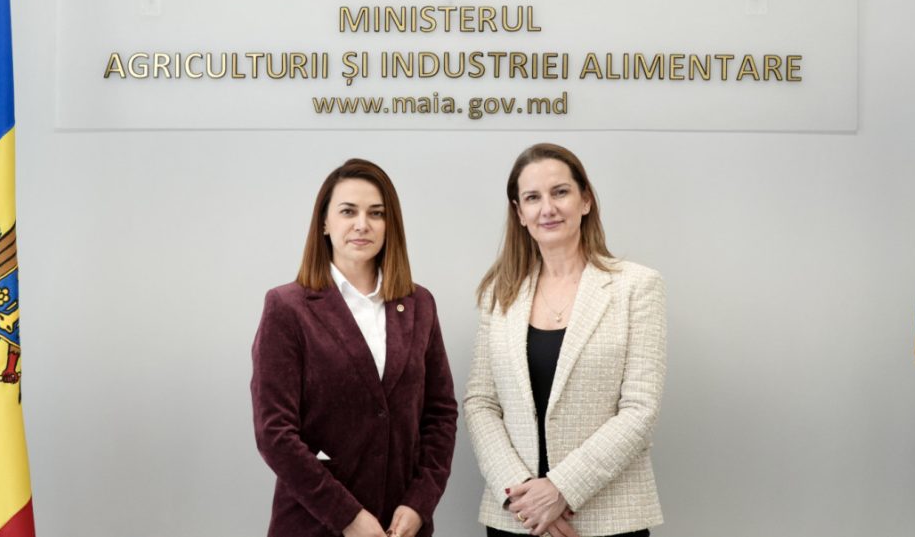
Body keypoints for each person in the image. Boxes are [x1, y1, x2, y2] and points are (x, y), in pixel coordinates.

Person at [464, 144, 667, 537]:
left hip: (607, 518)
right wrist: (523, 493)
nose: (548, 208)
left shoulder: (637, 286)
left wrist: (561, 489)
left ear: (585, 200)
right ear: (519, 213)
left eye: (560, 192)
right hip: (517, 517)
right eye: (532, 198)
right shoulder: (499, 294)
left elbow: (640, 410)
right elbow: (481, 402)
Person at [251, 158, 457, 537]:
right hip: (315, 525)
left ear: (390, 224)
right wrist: (347, 516)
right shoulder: (287, 307)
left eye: (376, 213)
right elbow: (274, 432)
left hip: (402, 526)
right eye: (348, 211)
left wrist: (420, 502)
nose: (362, 224)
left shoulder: (420, 304)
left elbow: (440, 414)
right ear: (325, 223)